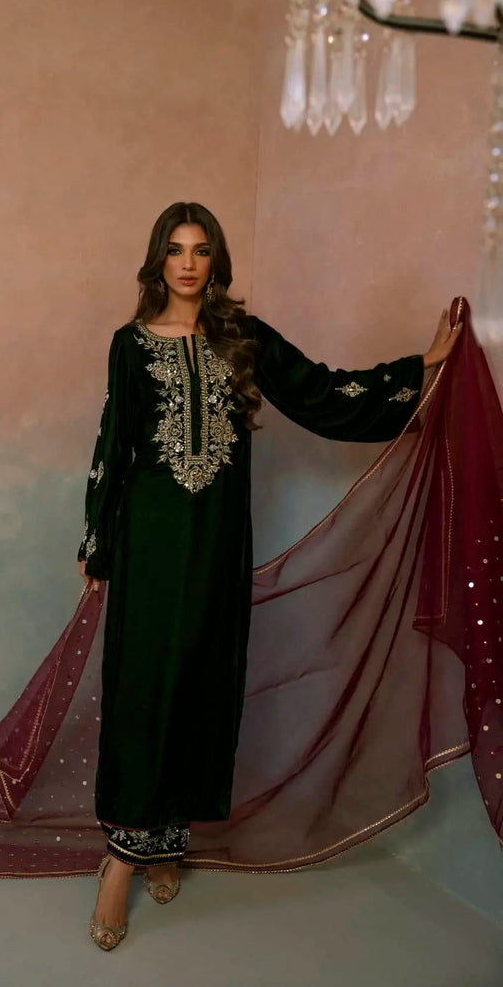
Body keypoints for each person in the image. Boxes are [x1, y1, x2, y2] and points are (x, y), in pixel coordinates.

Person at [76, 202, 461, 951]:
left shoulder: (240, 337)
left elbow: (320, 391)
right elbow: (113, 444)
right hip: (150, 542)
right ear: (158, 260)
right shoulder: (130, 344)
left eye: (201, 251)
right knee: (144, 689)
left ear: (216, 261)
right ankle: (121, 861)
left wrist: (418, 368)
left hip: (218, 543)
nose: (188, 264)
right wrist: (97, 543)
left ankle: (168, 839)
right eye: (176, 250)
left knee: (199, 682)